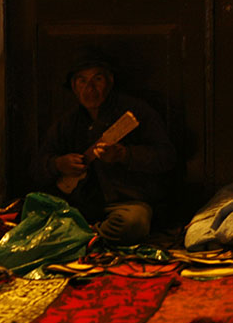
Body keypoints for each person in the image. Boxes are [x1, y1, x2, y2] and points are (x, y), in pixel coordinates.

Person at [31, 55, 177, 244]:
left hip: (127, 203)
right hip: (81, 205)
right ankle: (87, 235)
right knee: (37, 215)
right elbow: (37, 166)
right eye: (82, 81)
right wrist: (57, 164)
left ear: (110, 81)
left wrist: (124, 155)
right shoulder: (67, 122)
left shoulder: (137, 111)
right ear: (74, 86)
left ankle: (82, 238)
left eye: (97, 79)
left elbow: (166, 157)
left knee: (133, 223)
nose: (90, 88)